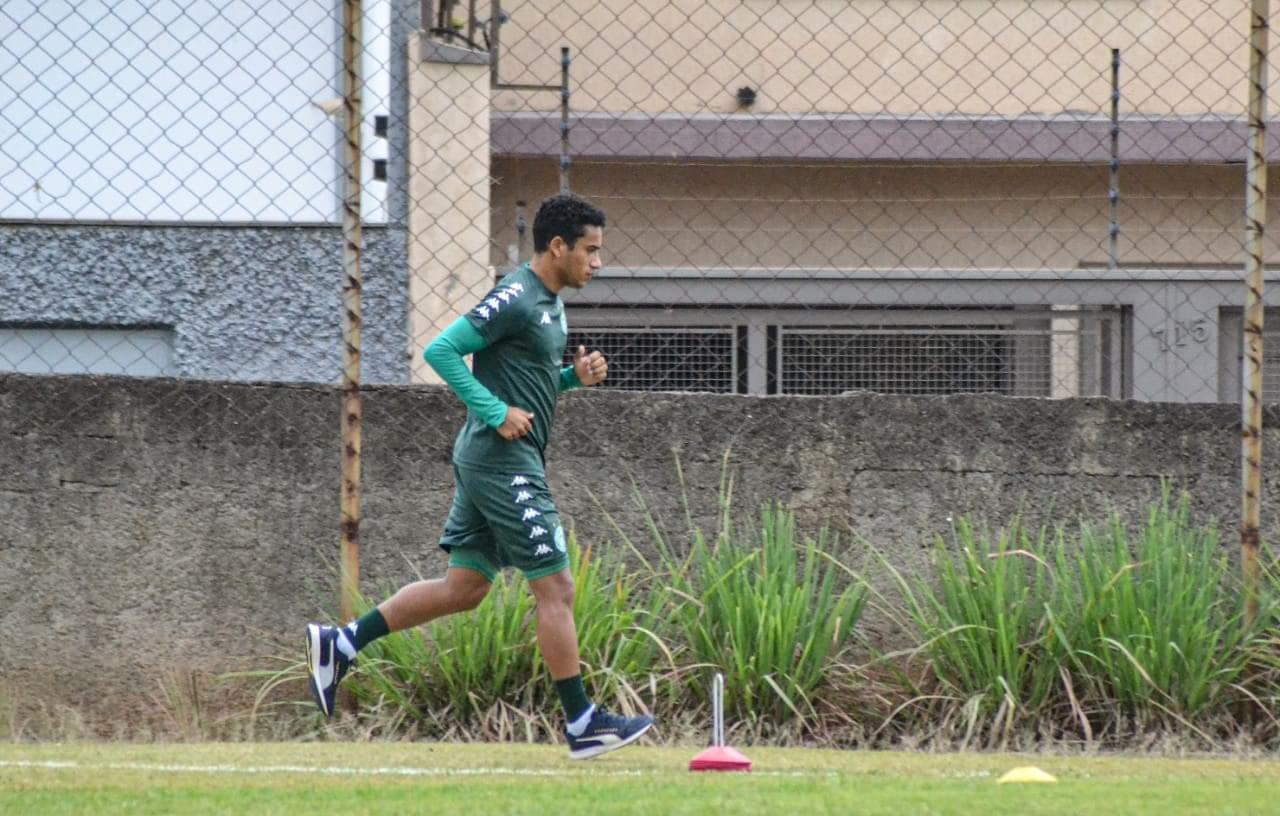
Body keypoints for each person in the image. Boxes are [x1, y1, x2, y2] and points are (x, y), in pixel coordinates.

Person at [305, 193, 653, 760]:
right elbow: (443, 350)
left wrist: (571, 378)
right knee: (556, 588)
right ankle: (583, 721)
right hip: (502, 461)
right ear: (558, 246)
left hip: (493, 458)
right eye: (590, 251)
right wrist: (494, 412)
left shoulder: (552, 302)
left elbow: (528, 379)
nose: (598, 262)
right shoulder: (516, 295)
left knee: (464, 588)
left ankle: (341, 643)